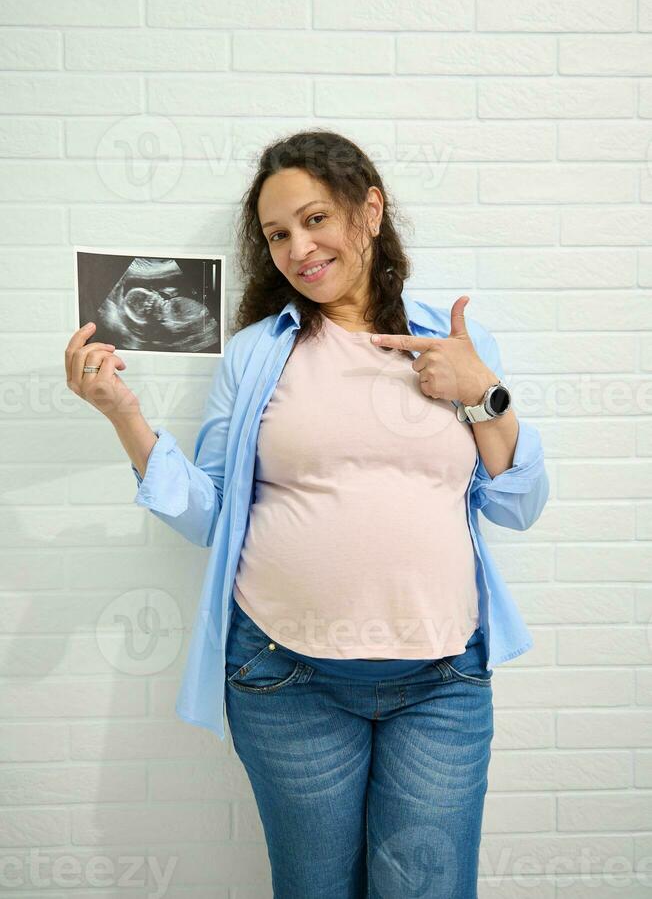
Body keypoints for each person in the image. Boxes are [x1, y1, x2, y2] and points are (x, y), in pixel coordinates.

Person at [64, 130, 549, 899]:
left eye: (316, 219)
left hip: (443, 680)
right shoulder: (259, 352)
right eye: (278, 234)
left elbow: (520, 505)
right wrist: (125, 416)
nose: (298, 247)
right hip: (289, 680)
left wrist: (483, 391)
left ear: (371, 210)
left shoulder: (452, 343)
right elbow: (213, 514)